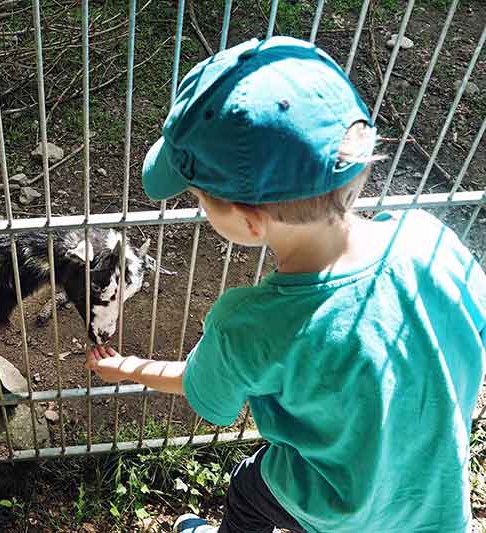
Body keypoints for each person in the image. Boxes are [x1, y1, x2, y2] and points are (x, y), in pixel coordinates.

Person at [85, 36, 486, 533]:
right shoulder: (434, 242)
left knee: (250, 489)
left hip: (334, 507)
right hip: (435, 508)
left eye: (201, 199)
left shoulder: (248, 324)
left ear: (249, 222)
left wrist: (129, 367)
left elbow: (203, 391)